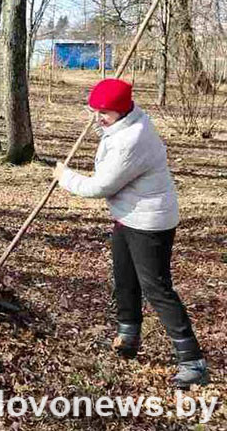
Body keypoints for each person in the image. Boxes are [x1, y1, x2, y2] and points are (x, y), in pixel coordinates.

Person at [53, 78, 208, 388]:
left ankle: (193, 361)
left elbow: (101, 186)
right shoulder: (125, 123)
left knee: (157, 288)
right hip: (128, 216)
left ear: (122, 112)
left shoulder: (132, 140)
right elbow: (108, 139)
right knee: (125, 278)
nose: (98, 118)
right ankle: (128, 337)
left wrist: (65, 177)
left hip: (149, 223)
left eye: (104, 113)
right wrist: (100, 115)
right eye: (95, 110)